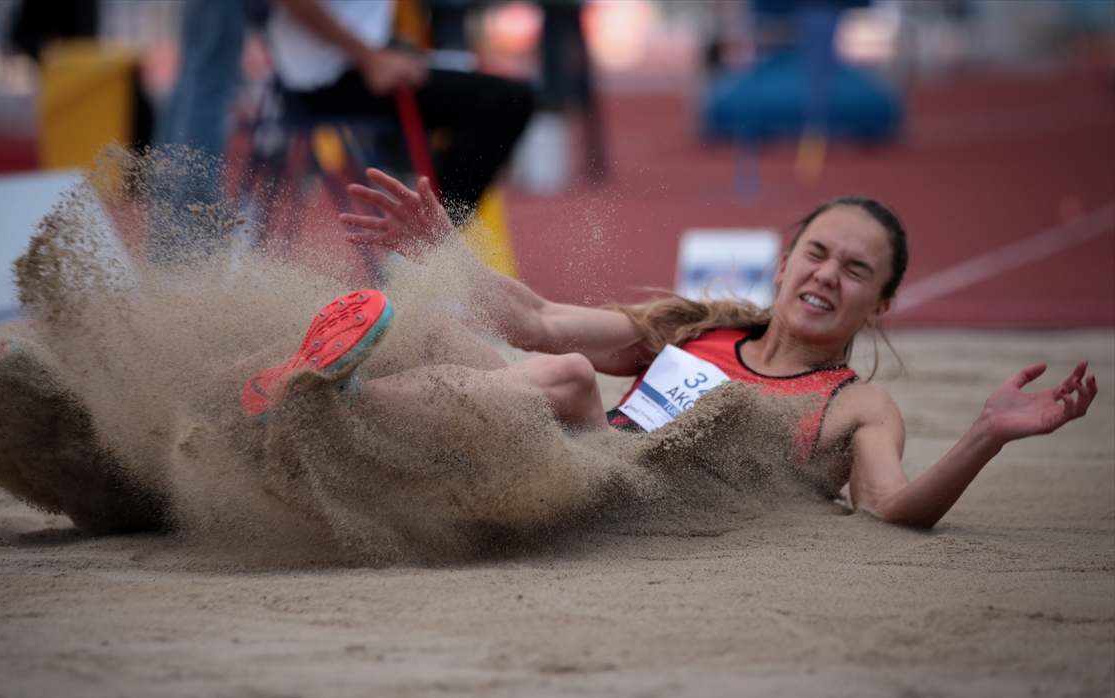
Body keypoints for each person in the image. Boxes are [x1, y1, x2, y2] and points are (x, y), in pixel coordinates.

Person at [244, 168, 1099, 529]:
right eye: (817, 253)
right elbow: (537, 319)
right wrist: (445, 246)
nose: (828, 275)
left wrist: (986, 435)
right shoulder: (700, 328)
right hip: (550, 444)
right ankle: (271, 400)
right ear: (786, 260)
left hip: (623, 503)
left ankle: (337, 406)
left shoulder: (858, 406)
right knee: (437, 325)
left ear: (881, 303)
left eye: (856, 270)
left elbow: (888, 510)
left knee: (575, 381)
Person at [265, 0, 533, 224]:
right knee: (505, 100)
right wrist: (370, 57)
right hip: (329, 78)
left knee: (497, 91)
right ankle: (426, 244)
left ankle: (425, 233)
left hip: (357, 61)